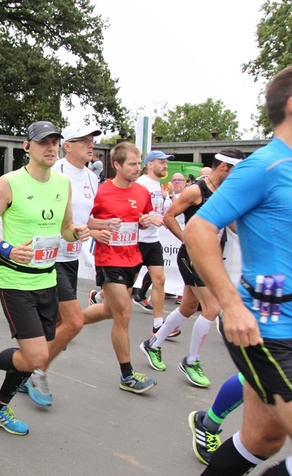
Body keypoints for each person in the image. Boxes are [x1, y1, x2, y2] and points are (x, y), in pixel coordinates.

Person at [186, 63, 292, 475]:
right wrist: (231, 305)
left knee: (263, 440)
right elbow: (199, 230)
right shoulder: (263, 167)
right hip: (269, 327)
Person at [0, 121, 89, 435]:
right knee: (36, 355)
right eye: (43, 142)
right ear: (28, 147)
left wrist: (75, 232)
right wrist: (6, 249)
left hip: (47, 279)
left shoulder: (63, 183)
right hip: (16, 281)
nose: (50, 148)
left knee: (32, 356)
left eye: (54, 142)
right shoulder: (9, 183)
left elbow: (65, 228)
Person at [140, 148, 244, 386]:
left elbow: (232, 226)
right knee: (212, 307)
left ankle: (152, 344)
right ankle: (191, 360)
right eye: (236, 171)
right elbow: (168, 217)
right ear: (224, 167)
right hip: (193, 256)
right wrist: (188, 240)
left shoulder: (225, 192)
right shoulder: (196, 190)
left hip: (214, 257)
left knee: (188, 306)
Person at [21, 124, 100, 406]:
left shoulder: (92, 177)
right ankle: (36, 371)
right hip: (48, 259)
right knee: (74, 322)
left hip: (72, 258)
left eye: (92, 141)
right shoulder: (54, 171)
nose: (91, 145)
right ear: (68, 146)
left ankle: (22, 368)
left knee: (52, 325)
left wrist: (99, 229)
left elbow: (87, 219)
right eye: (84, 140)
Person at [81, 142, 156, 393]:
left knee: (111, 311)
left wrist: (146, 222)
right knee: (123, 313)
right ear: (117, 165)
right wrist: (96, 230)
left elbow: (143, 220)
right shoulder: (101, 191)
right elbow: (82, 222)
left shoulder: (142, 192)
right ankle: (127, 375)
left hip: (132, 258)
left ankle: (69, 324)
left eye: (139, 163)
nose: (138, 168)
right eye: (132, 164)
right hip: (108, 258)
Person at [134, 150, 175, 333]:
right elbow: (131, 212)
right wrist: (151, 219)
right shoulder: (141, 184)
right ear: (150, 164)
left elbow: (157, 210)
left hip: (153, 240)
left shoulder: (159, 185)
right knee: (127, 285)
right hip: (137, 241)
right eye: (161, 162)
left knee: (159, 280)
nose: (165, 166)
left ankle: (158, 324)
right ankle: (99, 297)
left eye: (166, 163)